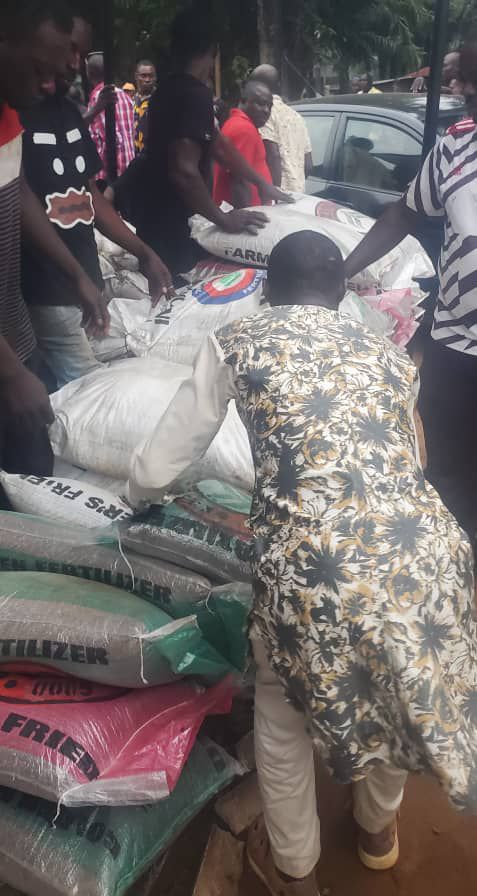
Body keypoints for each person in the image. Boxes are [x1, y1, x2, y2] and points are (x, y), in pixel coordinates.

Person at [128, 229, 477, 894]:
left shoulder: (236, 340)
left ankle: (295, 872)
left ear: (268, 290)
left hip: (313, 571)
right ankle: (376, 831)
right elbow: (415, 459)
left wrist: (139, 495)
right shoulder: (387, 355)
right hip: (425, 554)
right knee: (394, 685)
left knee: (283, 719)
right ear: (342, 293)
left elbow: (158, 465)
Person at [344, 41, 477, 545]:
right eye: (463, 82)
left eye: (471, 82)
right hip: (454, 342)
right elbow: (405, 211)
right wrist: (343, 270)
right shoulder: (456, 146)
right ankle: (453, 567)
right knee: (447, 471)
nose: (460, 90)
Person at [21, 18, 173, 388]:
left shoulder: (68, 113)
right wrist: (76, 276)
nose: (75, 62)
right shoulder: (17, 116)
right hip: (47, 288)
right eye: (69, 49)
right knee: (92, 389)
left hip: (86, 280)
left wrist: (143, 252)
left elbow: (90, 196)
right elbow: (20, 203)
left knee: (76, 390)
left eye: (81, 52)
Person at [0, 0, 107, 480]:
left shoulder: (8, 113)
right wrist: (10, 374)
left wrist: (75, 274)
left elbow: (17, 191)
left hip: (12, 337)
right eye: (40, 69)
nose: (49, 84)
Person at [131, 9, 291, 278]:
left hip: (156, 220)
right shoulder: (194, 95)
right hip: (176, 227)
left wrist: (261, 182)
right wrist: (223, 218)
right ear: (210, 51)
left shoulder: (165, 91)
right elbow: (184, 171)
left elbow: (219, 146)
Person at [250, 64, 313, 192]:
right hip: (299, 195)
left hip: (277, 194)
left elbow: (273, 156)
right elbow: (308, 165)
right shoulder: (297, 117)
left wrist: (276, 191)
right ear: (278, 85)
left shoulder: (263, 113)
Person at [213, 80, 273, 207]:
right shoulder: (244, 129)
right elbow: (239, 179)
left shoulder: (238, 123)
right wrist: (247, 214)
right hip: (248, 213)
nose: (266, 110)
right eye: (261, 104)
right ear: (243, 101)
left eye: (270, 106)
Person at [85, 52, 135, 181]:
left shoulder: (99, 99)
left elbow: (113, 140)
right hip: (130, 172)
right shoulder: (125, 96)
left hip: (112, 177)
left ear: (89, 74)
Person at [133, 59, 157, 155]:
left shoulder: (161, 101)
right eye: (143, 76)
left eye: (151, 76)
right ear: (136, 77)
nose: (147, 80)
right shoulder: (131, 101)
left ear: (155, 78)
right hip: (133, 156)